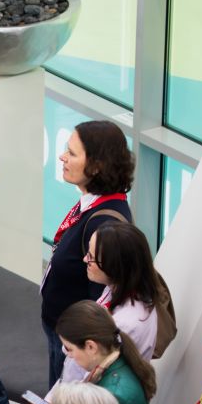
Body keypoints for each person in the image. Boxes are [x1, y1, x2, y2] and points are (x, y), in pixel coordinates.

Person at [40, 120, 133, 389]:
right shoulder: (92, 205)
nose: (62, 157)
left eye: (72, 153)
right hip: (64, 333)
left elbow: (99, 300)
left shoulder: (104, 224)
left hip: (74, 344)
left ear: (96, 165)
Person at [31, 302, 156, 404]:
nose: (68, 355)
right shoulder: (114, 368)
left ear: (90, 346)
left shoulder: (115, 397)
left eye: (69, 349)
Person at [78, 220, 159, 366]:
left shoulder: (124, 325)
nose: (85, 259)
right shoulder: (118, 288)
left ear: (114, 265)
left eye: (91, 257)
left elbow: (94, 369)